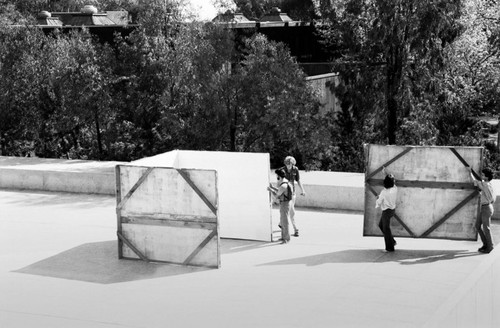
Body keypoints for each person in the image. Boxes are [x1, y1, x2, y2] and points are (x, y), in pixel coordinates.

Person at [468, 166, 496, 254]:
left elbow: (474, 181)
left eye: (483, 175)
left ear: (486, 177)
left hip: (486, 208)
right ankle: (486, 244)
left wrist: (470, 172)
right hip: (487, 207)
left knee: (486, 228)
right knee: (478, 226)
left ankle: (490, 246)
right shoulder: (490, 185)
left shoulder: (485, 184)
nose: (482, 176)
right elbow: (493, 198)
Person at [279, 156, 306, 237]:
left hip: (292, 193)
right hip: (285, 194)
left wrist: (303, 190)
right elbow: (279, 182)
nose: (288, 166)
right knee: (290, 211)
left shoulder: (295, 169)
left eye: (290, 164)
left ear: (293, 163)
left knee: (289, 210)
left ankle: (281, 223)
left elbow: (298, 180)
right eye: (287, 164)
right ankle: (295, 229)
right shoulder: (281, 170)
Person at [268, 169, 293, 244]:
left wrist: (270, 190)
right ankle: (283, 237)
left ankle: (286, 239)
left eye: (277, 176)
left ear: (279, 176)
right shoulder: (285, 182)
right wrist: (272, 187)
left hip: (284, 204)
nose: (276, 177)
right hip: (285, 203)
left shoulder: (283, 185)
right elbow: (280, 190)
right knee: (282, 221)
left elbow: (277, 195)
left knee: (284, 221)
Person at [375, 167, 397, 252]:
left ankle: (390, 248)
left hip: (386, 212)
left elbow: (379, 202)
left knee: (386, 228)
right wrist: (386, 172)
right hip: (392, 210)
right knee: (382, 226)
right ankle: (392, 241)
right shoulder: (395, 189)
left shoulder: (383, 193)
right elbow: (392, 180)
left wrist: (378, 198)